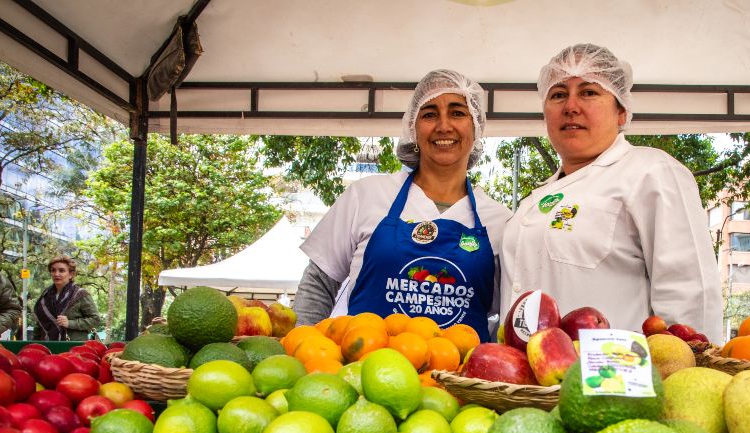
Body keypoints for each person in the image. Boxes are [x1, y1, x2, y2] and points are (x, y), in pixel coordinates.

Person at [500, 44, 723, 343]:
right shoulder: (534, 201)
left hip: (610, 381)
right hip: (527, 383)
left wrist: (688, 375)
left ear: (621, 111)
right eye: (558, 94)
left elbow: (690, 293)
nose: (571, 106)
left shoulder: (651, 172)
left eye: (589, 92)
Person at [296, 69, 508, 343]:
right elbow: (318, 284)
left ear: (476, 126)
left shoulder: (501, 221)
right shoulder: (368, 195)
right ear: (412, 127)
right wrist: (304, 351)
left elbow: (506, 316)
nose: (444, 126)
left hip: (460, 383)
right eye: (429, 114)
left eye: (457, 113)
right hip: (364, 375)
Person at [33, 255, 100, 341]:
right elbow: (39, 323)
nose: (56, 274)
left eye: (62, 270)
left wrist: (70, 323)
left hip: (73, 346)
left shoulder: (80, 294)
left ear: (71, 275)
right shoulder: (45, 296)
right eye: (53, 270)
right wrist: (34, 342)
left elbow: (95, 319)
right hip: (48, 345)